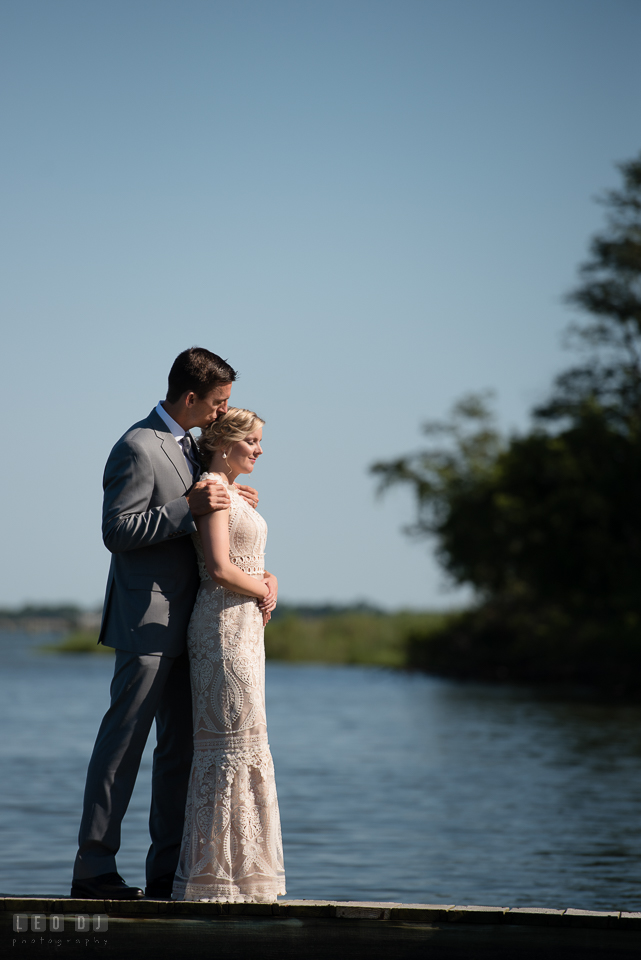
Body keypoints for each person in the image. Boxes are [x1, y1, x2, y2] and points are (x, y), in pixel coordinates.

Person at [71, 347, 259, 901]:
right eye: (219, 402)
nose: (225, 413)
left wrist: (231, 498)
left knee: (180, 752)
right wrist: (187, 506)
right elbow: (117, 531)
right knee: (122, 748)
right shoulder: (136, 445)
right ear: (190, 396)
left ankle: (166, 874)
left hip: (198, 629)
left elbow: (207, 516)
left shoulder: (196, 448)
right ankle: (93, 872)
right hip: (147, 624)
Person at [172, 407, 286, 903]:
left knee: (247, 745)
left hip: (245, 631)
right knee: (226, 752)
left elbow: (245, 559)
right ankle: (212, 879)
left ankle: (245, 875)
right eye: (254, 441)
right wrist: (260, 585)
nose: (260, 450)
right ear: (226, 443)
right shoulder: (213, 492)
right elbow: (218, 568)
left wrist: (269, 577)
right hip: (221, 630)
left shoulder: (234, 492)